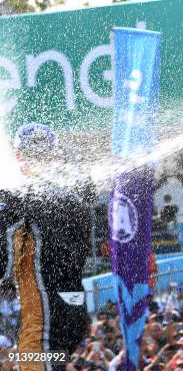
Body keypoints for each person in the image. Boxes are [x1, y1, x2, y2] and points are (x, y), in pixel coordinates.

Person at [0, 122, 94, 369]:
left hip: (44, 313)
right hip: (75, 308)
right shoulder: (73, 197)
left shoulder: (17, 197)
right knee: (42, 363)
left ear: (18, 155)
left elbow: (4, 262)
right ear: (53, 153)